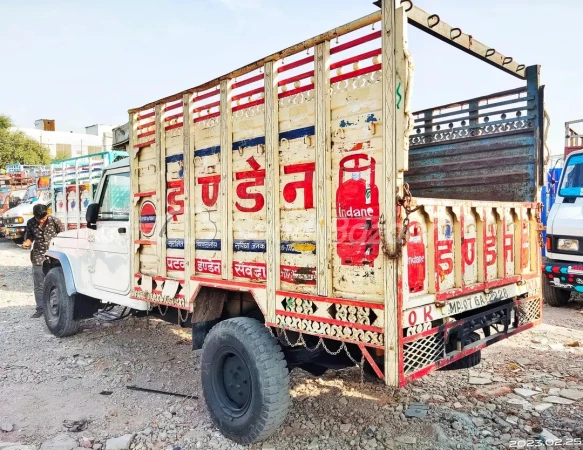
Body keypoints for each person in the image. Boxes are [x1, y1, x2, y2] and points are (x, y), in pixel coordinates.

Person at [21, 204, 64, 318]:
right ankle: (40, 309)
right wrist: (26, 243)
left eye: (43, 218)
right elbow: (30, 238)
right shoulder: (31, 223)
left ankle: (57, 307)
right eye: (38, 219)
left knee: (57, 282)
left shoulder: (55, 221)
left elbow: (63, 236)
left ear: (47, 214)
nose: (40, 221)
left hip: (55, 256)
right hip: (39, 255)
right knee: (39, 284)